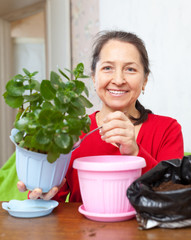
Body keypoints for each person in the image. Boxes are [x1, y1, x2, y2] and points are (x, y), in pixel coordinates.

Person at [18, 30, 184, 201]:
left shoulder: (168, 129)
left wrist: (135, 152)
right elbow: (55, 203)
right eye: (107, 68)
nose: (118, 80)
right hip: (83, 228)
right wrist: (42, 194)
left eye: (130, 69)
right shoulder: (70, 132)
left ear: (145, 80)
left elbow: (174, 195)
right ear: (93, 77)